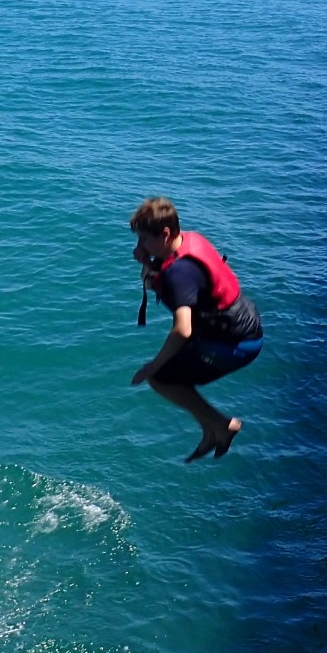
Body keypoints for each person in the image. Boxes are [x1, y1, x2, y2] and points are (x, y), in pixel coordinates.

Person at [129, 196, 263, 462]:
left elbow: (183, 330)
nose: (139, 246)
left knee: (161, 379)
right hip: (240, 325)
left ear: (165, 234)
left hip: (234, 344)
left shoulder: (180, 272)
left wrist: (152, 366)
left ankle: (223, 426)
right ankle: (210, 430)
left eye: (143, 239)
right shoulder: (189, 241)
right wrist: (148, 263)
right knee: (173, 374)